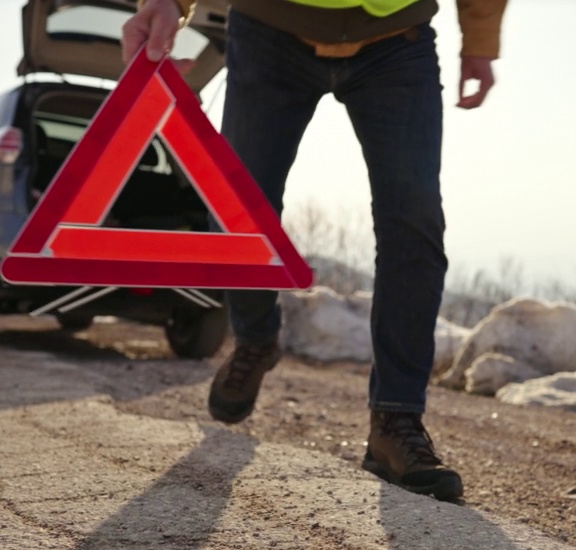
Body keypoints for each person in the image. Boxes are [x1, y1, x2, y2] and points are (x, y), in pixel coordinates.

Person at [122, 0, 507, 502]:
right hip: (269, 27)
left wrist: (479, 39)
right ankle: (258, 340)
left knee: (413, 222)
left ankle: (396, 418)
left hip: (396, 36)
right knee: (236, 210)